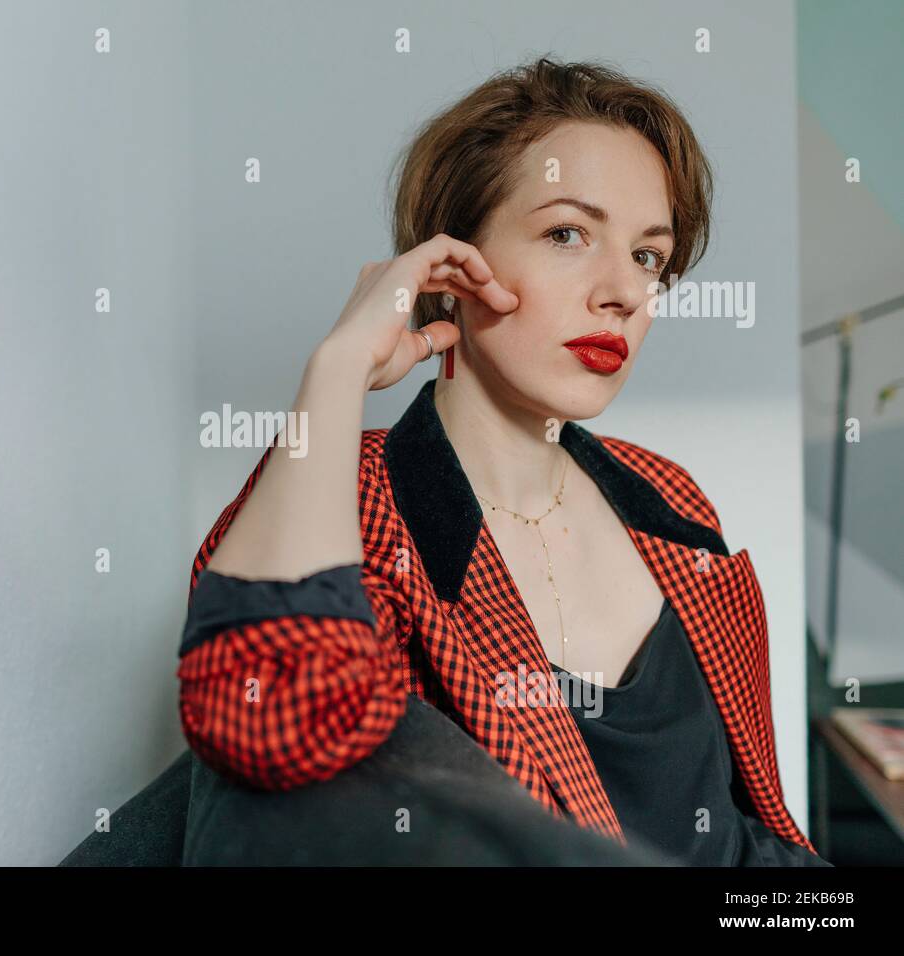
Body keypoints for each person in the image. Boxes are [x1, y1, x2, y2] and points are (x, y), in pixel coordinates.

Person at [176, 56, 831, 866]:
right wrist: (339, 366)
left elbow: (747, 824)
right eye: (567, 233)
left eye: (648, 256)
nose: (623, 291)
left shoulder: (668, 495)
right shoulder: (353, 500)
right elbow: (259, 722)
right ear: (451, 265)